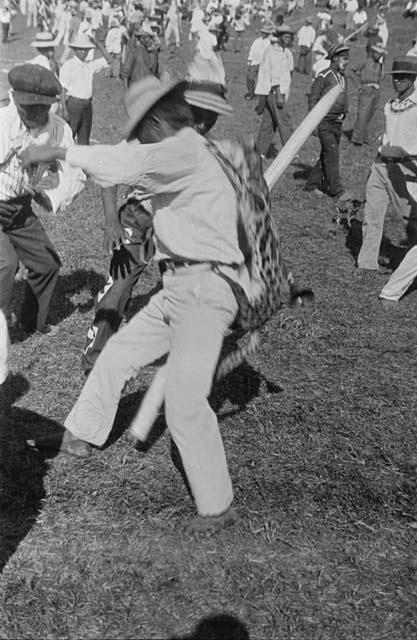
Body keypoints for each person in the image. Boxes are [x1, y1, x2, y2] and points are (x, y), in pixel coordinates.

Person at [22, 76, 247, 534]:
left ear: (158, 122)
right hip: (180, 287)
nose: (138, 138)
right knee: (117, 357)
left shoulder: (182, 148)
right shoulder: (184, 153)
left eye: (140, 130)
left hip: (207, 290)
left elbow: (126, 162)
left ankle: (219, 507)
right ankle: (81, 436)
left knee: (184, 404)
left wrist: (57, 152)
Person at [80, 72, 233, 376]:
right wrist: (111, 221)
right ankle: (94, 359)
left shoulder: (193, 136)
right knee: (119, 288)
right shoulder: (139, 140)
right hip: (137, 220)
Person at [0, 65, 85, 335]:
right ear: (14, 98)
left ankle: (29, 323)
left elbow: (77, 172)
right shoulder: (3, 123)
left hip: (20, 208)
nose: (33, 114)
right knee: (6, 262)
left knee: (47, 264)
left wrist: (51, 196)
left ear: (51, 104)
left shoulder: (59, 129)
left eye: (40, 109)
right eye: (27, 108)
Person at [357, 57, 417, 272]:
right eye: (394, 77)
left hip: (406, 168)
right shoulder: (390, 105)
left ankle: (410, 267)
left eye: (402, 77)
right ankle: (367, 263)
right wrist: (376, 162)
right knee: (372, 214)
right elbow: (386, 136)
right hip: (381, 165)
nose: (396, 81)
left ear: (413, 78)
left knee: (410, 220)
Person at [304, 43, 349, 199]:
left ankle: (311, 185)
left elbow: (344, 97)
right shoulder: (324, 75)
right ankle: (337, 190)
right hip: (325, 123)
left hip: (337, 123)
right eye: (344, 58)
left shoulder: (343, 77)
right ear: (335, 58)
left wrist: (345, 112)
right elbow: (313, 98)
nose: (347, 61)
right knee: (332, 154)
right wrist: (313, 123)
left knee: (327, 154)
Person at [60, 33, 112, 144]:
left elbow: (109, 60)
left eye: (86, 50)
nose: (84, 52)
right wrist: (64, 110)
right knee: (69, 136)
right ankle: (65, 160)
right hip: (74, 105)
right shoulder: (69, 65)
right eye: (81, 50)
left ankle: (80, 160)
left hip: (87, 105)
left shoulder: (89, 66)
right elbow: (62, 90)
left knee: (84, 137)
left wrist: (98, 44)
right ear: (75, 50)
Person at [255, 24, 294, 158]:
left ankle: (260, 151)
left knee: (269, 123)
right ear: (279, 37)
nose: (288, 40)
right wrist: (278, 94)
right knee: (284, 121)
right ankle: (291, 151)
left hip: (271, 92)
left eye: (290, 37)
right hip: (276, 92)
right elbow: (275, 75)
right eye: (285, 37)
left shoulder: (280, 50)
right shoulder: (276, 52)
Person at [350, 43, 386, 147]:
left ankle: (364, 137)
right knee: (362, 114)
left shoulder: (380, 64)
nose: (378, 55)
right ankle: (356, 140)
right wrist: (359, 85)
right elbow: (351, 70)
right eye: (377, 52)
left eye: (380, 54)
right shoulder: (365, 61)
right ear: (373, 52)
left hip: (376, 91)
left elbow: (382, 77)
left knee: (370, 114)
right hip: (366, 90)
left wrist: (383, 64)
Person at [245, 24, 273, 100]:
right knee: (250, 78)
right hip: (255, 62)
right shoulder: (257, 41)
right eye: (262, 32)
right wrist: (250, 60)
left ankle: (262, 95)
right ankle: (251, 93)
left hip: (265, 63)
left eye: (265, 33)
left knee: (263, 80)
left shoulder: (270, 42)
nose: (263, 34)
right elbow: (252, 50)